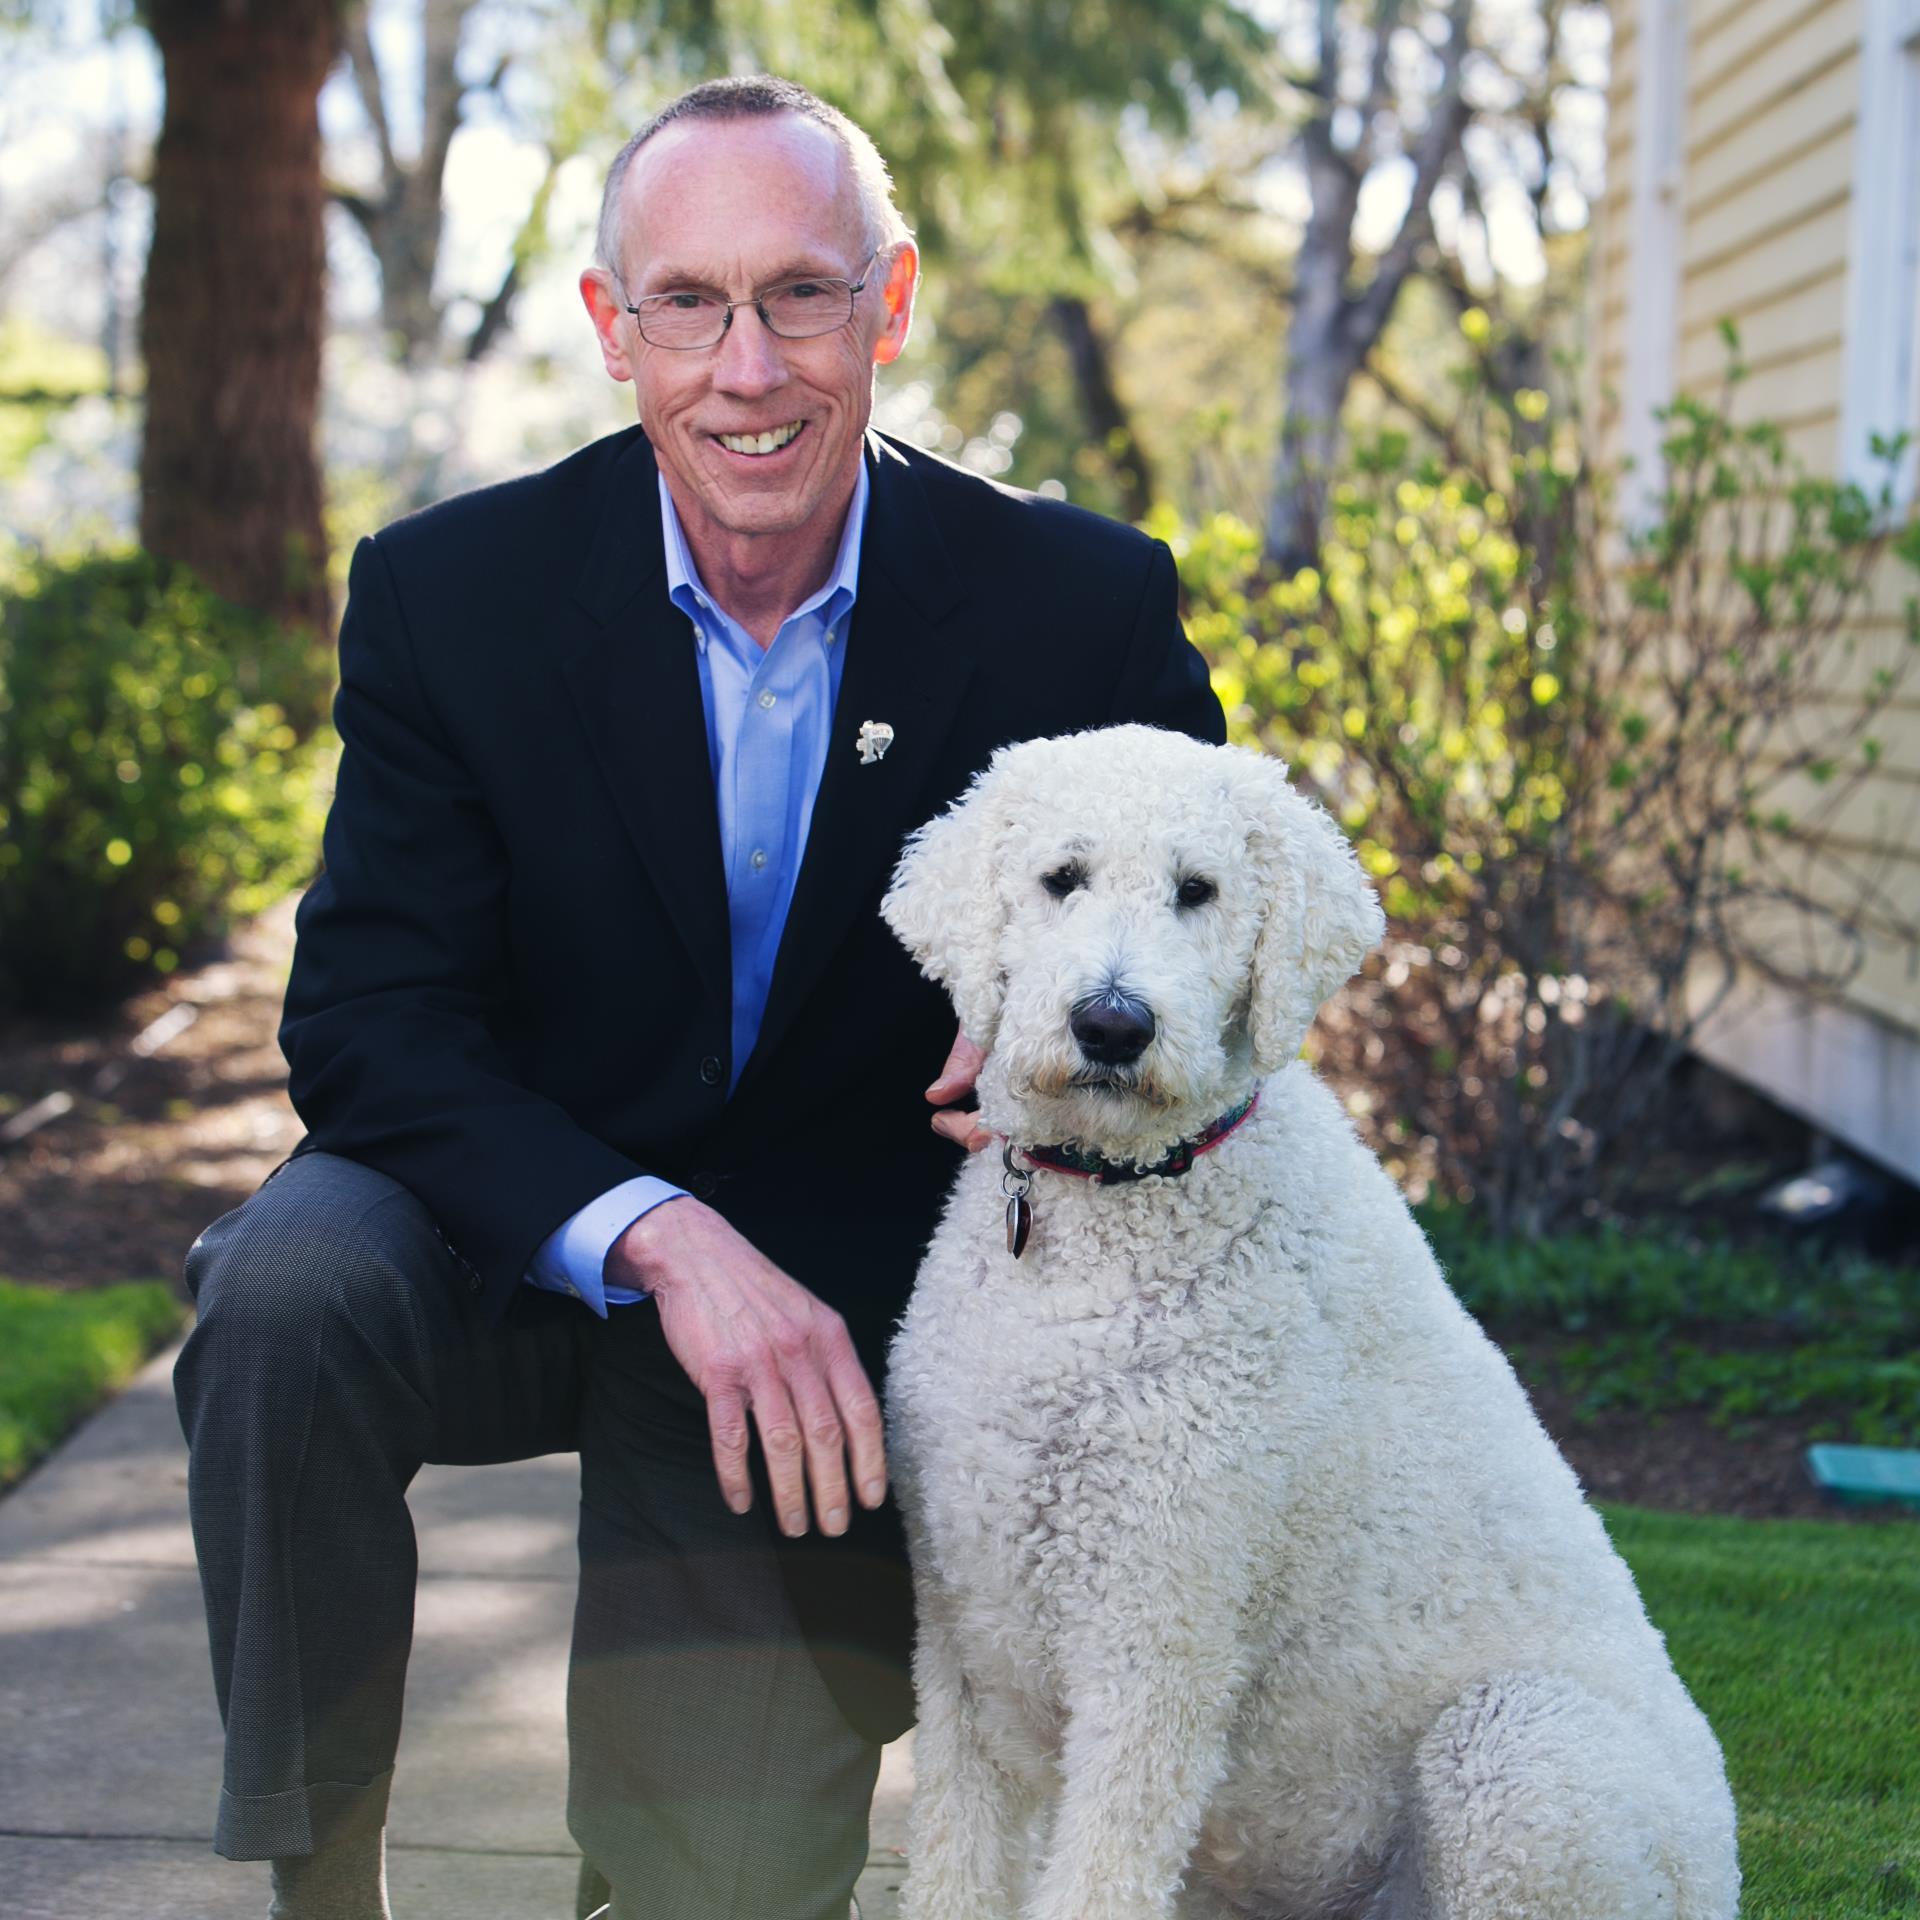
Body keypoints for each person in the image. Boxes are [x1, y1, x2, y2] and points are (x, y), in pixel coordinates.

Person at [173, 73, 1225, 1920]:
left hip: (826, 1292)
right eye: (690, 303)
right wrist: (652, 1232)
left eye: (801, 296)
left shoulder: (1080, 606)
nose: (747, 368)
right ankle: (316, 1876)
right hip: (516, 1236)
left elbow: (1208, 914)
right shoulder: (449, 594)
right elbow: (365, 1017)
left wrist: (1065, 1013)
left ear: (887, 304)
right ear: (612, 328)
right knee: (285, 1289)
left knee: (711, 1890)